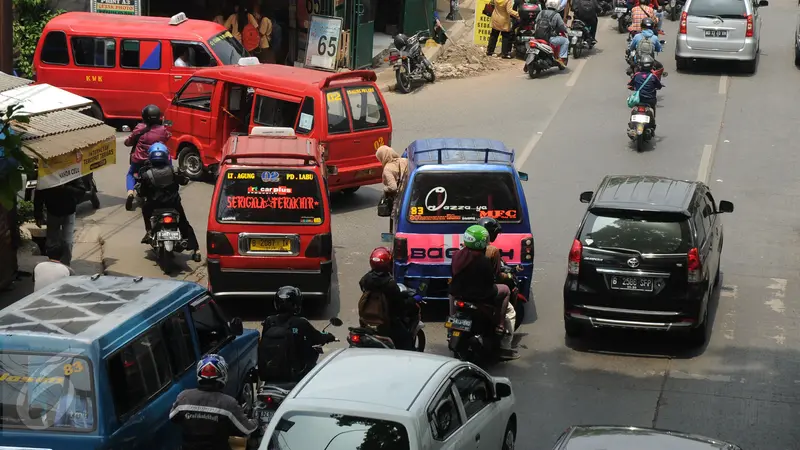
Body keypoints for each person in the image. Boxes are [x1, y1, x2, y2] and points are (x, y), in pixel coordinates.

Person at [449, 225, 519, 360]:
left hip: (458, 293)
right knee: (505, 290)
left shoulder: (456, 255)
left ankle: (451, 325)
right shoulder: (484, 260)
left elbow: (453, 273)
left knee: (451, 296)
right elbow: (491, 279)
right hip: (480, 295)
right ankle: (500, 325)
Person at [169, 355, 257, 450]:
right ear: (223, 375)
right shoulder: (228, 403)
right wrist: (256, 421)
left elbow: (173, 417)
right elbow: (247, 429)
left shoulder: (184, 397)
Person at [137, 143, 201, 261]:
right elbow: (184, 181)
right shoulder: (174, 170)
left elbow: (142, 192)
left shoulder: (146, 174)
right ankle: (196, 250)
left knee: (145, 209)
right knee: (184, 224)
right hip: (174, 205)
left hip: (154, 206)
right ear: (166, 156)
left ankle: (150, 232)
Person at [258, 286, 336, 382]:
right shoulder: (300, 322)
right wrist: (328, 336)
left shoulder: (269, 321)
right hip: (294, 374)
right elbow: (317, 337)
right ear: (296, 304)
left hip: (269, 372)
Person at [358, 247, 417, 350]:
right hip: (388, 322)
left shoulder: (365, 279)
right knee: (406, 339)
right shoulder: (390, 284)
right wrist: (411, 301)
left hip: (366, 321)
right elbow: (399, 305)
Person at [124, 104, 171, 211]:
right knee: (168, 159)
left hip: (139, 160)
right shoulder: (162, 129)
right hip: (158, 161)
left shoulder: (139, 128)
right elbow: (168, 137)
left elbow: (129, 141)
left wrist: (127, 142)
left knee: (130, 174)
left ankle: (130, 192)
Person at [33, 178, 86, 266]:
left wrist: (65, 187)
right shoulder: (47, 175)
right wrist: (38, 215)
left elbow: (81, 192)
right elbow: (39, 195)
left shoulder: (71, 173)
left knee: (67, 242)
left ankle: (65, 266)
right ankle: (53, 265)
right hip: (52, 212)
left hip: (69, 212)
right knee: (52, 243)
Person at [535, 0, 570, 68]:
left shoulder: (541, 12)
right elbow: (561, 26)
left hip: (537, 36)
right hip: (549, 38)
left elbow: (536, 21)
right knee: (566, 41)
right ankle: (561, 58)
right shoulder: (556, 15)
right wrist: (566, 31)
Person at [628, 55, 663, 121]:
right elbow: (659, 86)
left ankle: (631, 123)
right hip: (650, 100)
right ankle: (653, 121)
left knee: (633, 109)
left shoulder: (637, 75)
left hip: (639, 99)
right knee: (652, 109)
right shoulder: (653, 76)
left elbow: (630, 84)